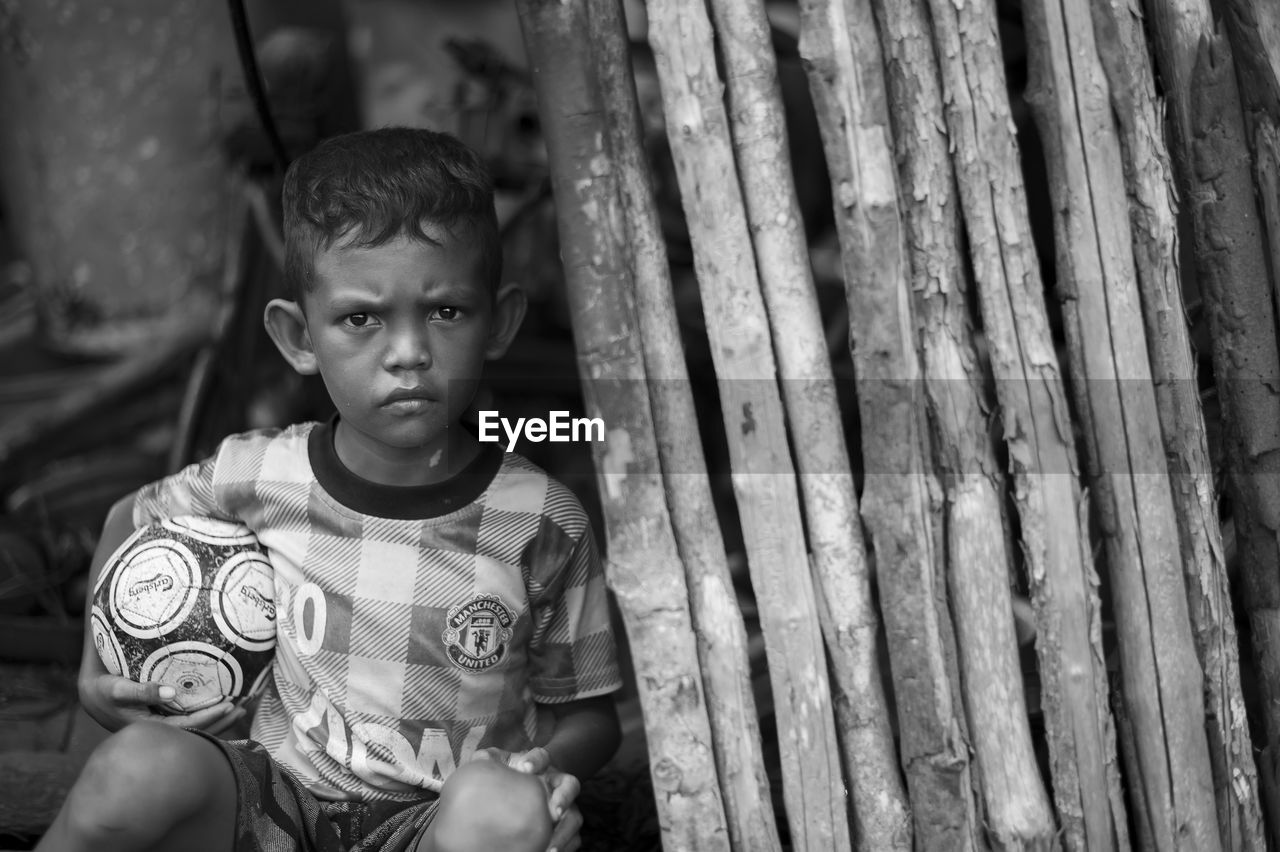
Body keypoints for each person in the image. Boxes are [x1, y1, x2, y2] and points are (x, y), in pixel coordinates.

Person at [38, 127, 623, 852]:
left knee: (501, 808)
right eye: (360, 319)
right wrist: (97, 677)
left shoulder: (542, 519)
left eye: (445, 311)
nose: (408, 353)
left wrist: (543, 774)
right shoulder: (257, 476)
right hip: (270, 806)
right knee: (132, 771)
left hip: (437, 827)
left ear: (498, 322)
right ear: (298, 338)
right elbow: (129, 517)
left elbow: (593, 716)